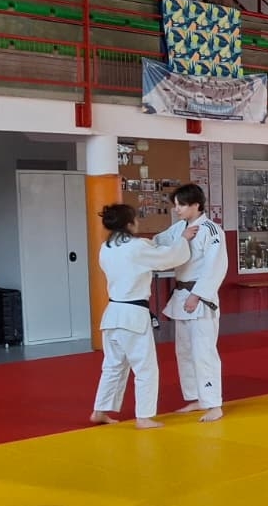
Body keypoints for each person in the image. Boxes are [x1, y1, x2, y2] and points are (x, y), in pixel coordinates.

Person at [90, 204, 193, 430]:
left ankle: (100, 410)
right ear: (129, 223)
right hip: (133, 316)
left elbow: (149, 253)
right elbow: (169, 259)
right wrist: (183, 239)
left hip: (112, 314)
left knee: (113, 365)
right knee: (145, 367)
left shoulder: (106, 248)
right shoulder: (137, 247)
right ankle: (144, 417)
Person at [154, 183, 228, 422]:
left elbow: (216, 266)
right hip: (181, 295)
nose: (177, 209)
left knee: (204, 351)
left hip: (200, 297)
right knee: (184, 351)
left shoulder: (212, 230)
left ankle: (214, 403)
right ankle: (196, 397)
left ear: (196, 205)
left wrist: (197, 295)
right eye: (175, 205)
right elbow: (157, 242)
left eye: (181, 205)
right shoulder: (179, 228)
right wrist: (180, 240)